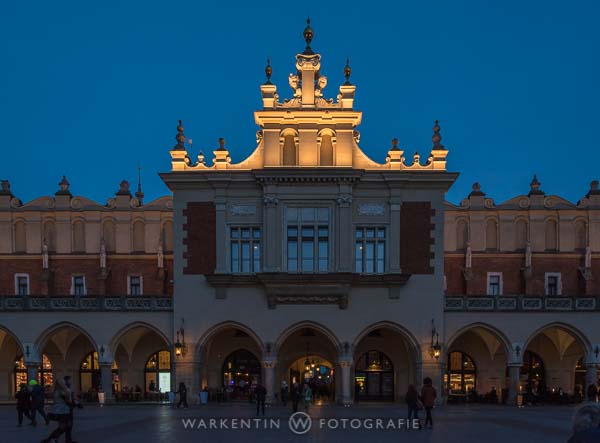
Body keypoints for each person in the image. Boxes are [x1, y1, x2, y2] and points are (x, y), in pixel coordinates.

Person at [41, 378, 73, 443]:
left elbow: (50, 396)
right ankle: (50, 439)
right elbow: (68, 400)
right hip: (62, 411)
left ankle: (52, 439)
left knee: (63, 427)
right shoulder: (62, 391)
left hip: (59, 410)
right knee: (64, 427)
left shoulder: (56, 391)